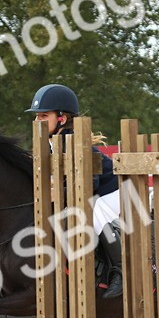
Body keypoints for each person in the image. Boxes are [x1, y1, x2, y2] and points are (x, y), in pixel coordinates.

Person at [27, 83, 123, 298]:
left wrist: (56, 191)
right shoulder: (50, 143)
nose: (36, 122)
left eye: (42, 117)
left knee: (95, 212)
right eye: (36, 117)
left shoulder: (75, 141)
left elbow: (91, 185)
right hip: (91, 192)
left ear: (61, 118)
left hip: (112, 191)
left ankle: (120, 269)